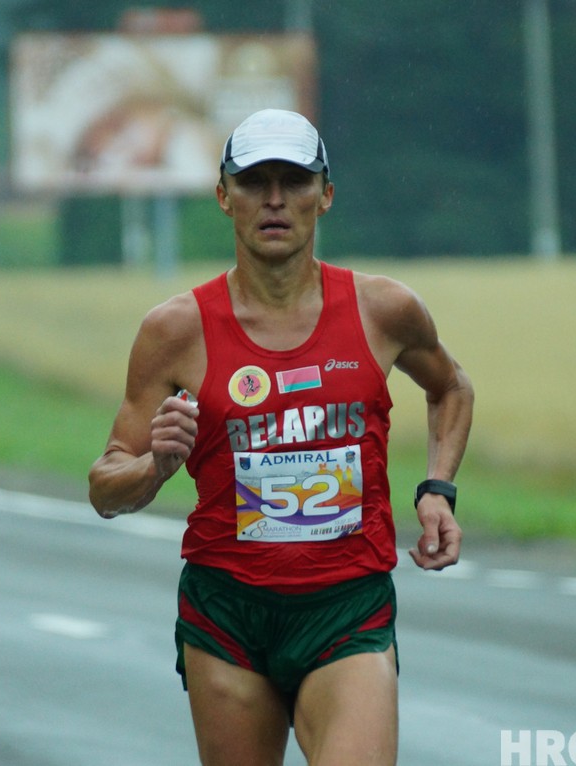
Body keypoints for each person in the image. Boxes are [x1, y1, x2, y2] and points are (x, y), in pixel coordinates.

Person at [88, 108, 474, 766]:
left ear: (325, 195)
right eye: (254, 182)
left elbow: (452, 387)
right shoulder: (175, 330)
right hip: (227, 615)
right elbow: (105, 487)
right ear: (223, 196)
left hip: (347, 608)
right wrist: (156, 465)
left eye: (294, 181)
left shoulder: (383, 310)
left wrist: (438, 488)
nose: (274, 200)